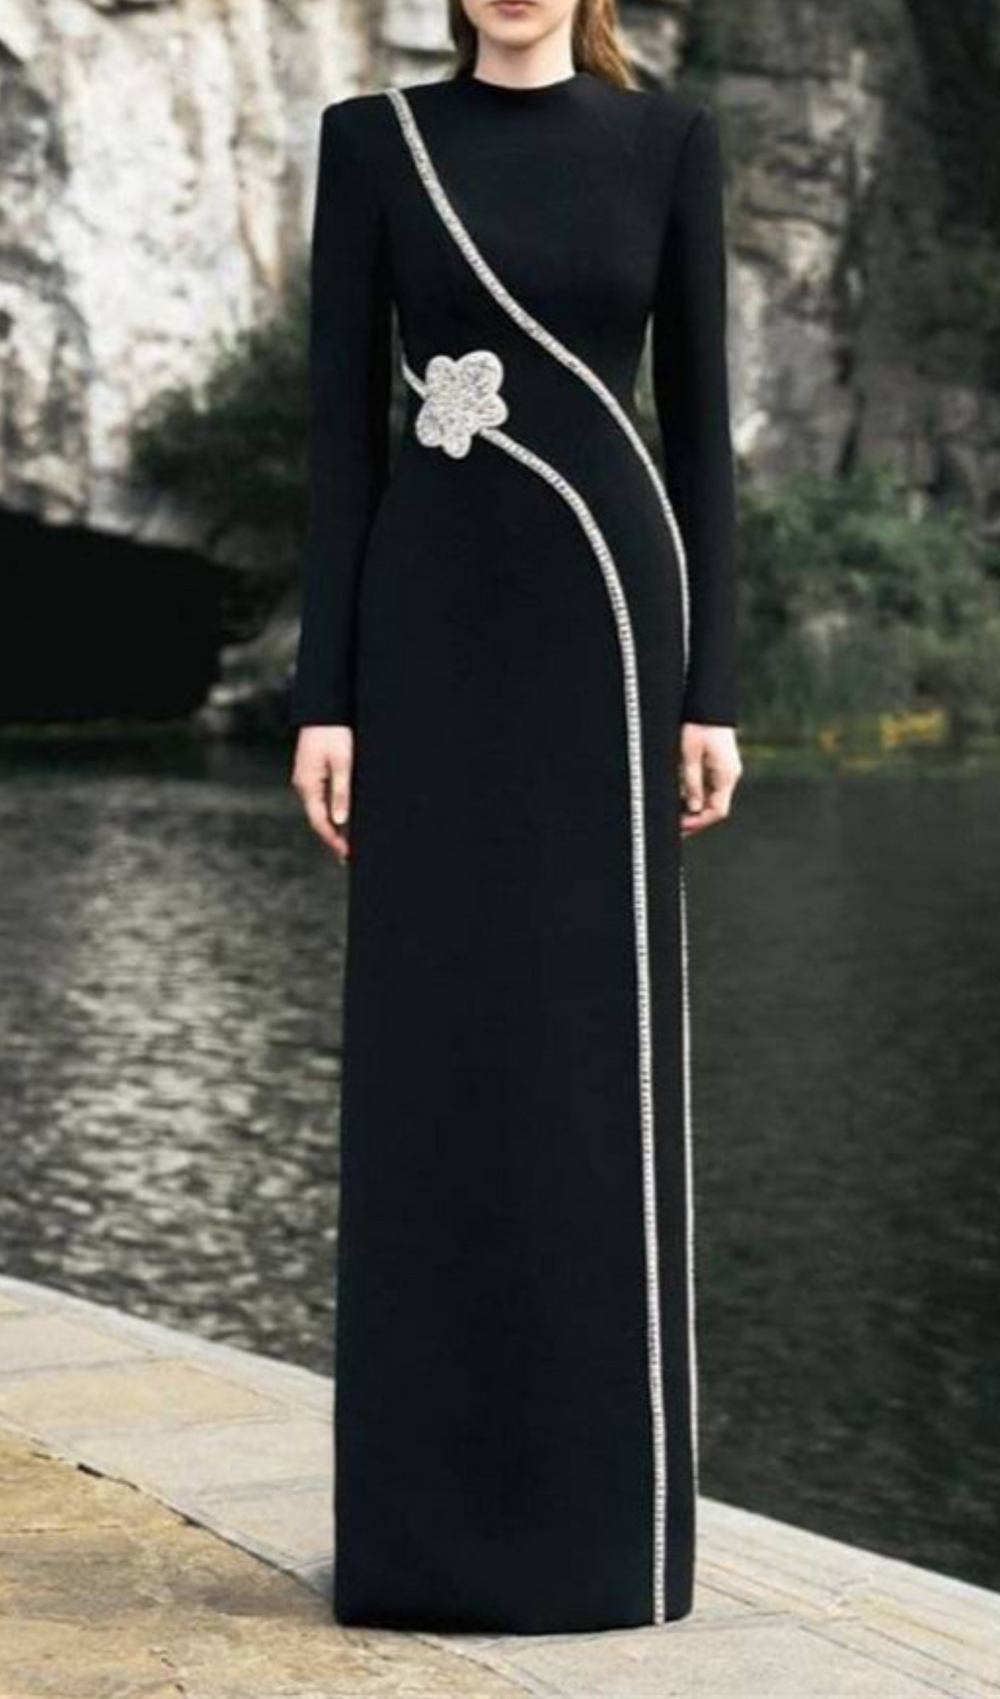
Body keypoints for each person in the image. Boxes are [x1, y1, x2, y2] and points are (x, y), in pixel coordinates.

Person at [290, 0, 742, 1636]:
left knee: (589, 1055)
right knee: (434, 1051)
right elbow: (341, 435)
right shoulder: (375, 143)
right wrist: (325, 696)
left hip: (607, 633)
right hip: (426, 635)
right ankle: (421, 1548)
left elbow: (700, 434)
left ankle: (597, 1544)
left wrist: (712, 691)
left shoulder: (669, 142)